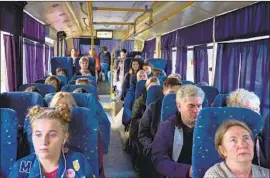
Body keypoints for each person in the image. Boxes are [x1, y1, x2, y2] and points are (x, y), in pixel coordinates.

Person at [8, 105, 95, 178]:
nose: (44, 141)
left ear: (64, 138)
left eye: (52, 135)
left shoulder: (79, 163)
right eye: (38, 135)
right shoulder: (20, 168)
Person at [151, 84, 205, 178]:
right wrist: (188, 171)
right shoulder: (167, 127)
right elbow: (159, 159)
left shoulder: (207, 127)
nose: (196, 111)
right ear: (179, 106)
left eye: (199, 106)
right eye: (191, 106)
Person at [49, 92, 105, 177]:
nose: (61, 112)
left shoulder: (89, 129)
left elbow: (98, 162)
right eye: (57, 107)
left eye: (66, 107)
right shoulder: (45, 132)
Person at [137, 77, 182, 178]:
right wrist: (153, 147)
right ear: (164, 91)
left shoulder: (184, 111)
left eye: (178, 94)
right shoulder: (153, 108)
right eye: (172, 92)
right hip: (154, 151)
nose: (175, 97)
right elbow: (142, 133)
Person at [204, 120, 269, 177]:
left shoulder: (266, 174)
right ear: (222, 150)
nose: (242, 144)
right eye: (233, 140)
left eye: (246, 138)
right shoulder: (213, 175)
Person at [227, 88, 269, 169]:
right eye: (249, 111)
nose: (255, 114)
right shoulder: (228, 137)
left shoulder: (263, 135)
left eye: (256, 109)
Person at [128, 77, 160, 171]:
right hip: (142, 127)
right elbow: (134, 119)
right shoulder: (140, 101)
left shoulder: (163, 103)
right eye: (151, 87)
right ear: (146, 88)